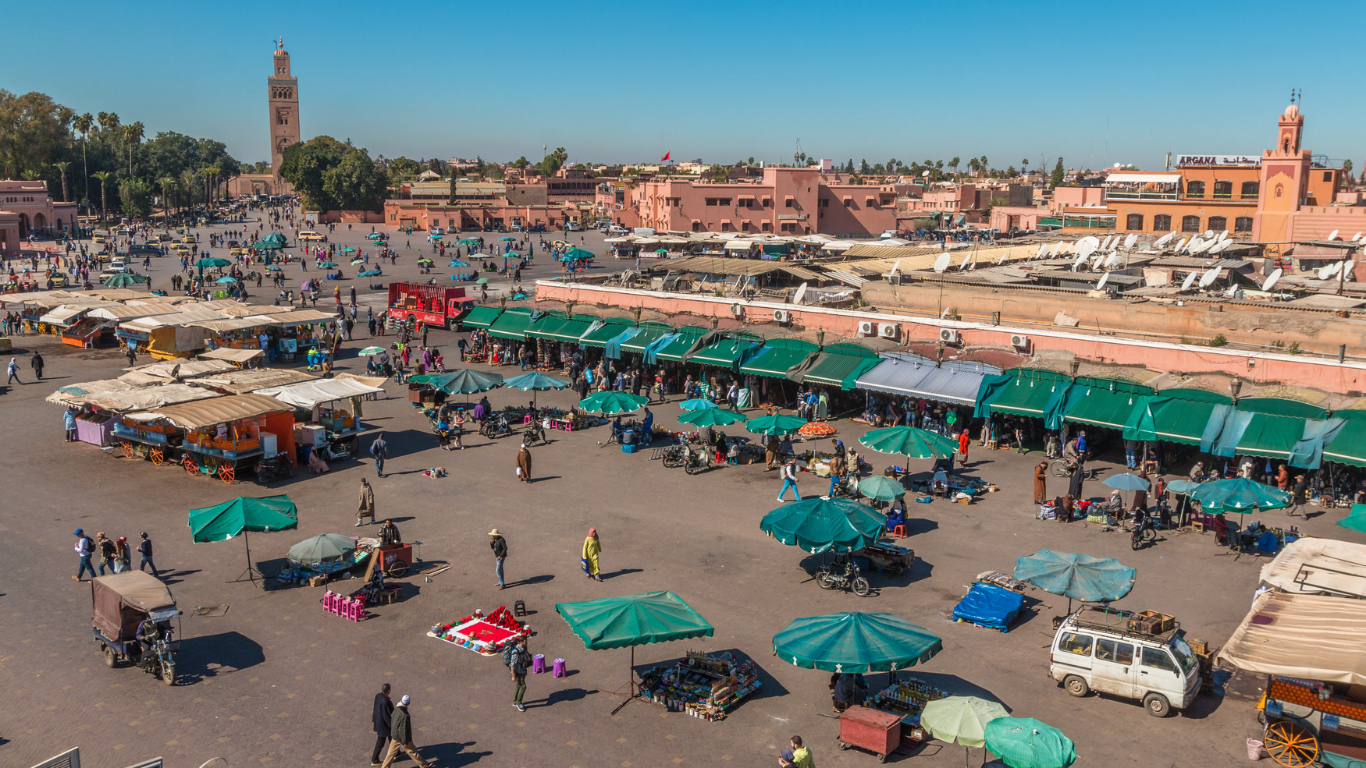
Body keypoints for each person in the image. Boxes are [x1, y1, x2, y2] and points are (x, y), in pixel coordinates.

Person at [379, 695, 430, 768]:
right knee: (413, 752)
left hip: (395, 736)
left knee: (390, 754)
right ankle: (424, 765)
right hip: (403, 738)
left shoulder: (396, 709)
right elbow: (403, 730)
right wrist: (405, 741)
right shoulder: (405, 715)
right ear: (408, 703)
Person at [371, 683, 394, 766]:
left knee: (392, 738)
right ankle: (374, 759)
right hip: (383, 725)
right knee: (381, 741)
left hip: (379, 721)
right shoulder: (385, 702)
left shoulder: (378, 696)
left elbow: (375, 708)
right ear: (388, 691)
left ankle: (397, 752)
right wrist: (392, 725)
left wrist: (374, 719)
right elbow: (387, 716)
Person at [507, 635, 531, 712]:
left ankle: (515, 701)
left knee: (518, 686)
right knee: (523, 687)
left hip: (522, 670)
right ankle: (519, 703)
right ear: (521, 642)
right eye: (525, 642)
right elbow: (512, 664)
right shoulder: (515, 652)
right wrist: (513, 675)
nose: (526, 643)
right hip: (518, 671)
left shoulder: (523, 648)